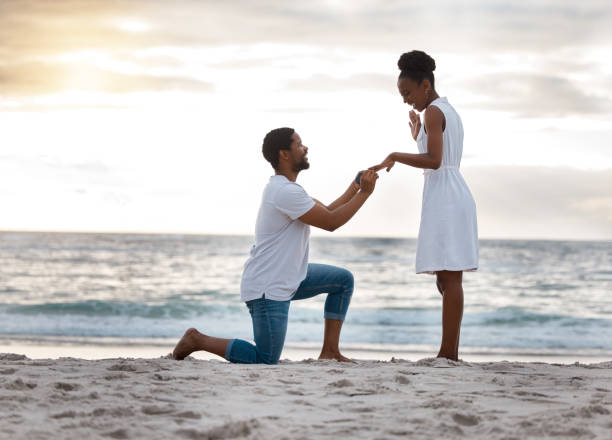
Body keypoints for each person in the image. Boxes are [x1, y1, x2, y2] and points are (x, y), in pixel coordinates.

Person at [173, 127, 379, 364]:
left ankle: (330, 351)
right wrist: (365, 193)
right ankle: (198, 340)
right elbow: (331, 222)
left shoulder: (288, 190)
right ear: (284, 154)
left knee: (343, 281)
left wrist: (355, 186)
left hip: (290, 277)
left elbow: (330, 210)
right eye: (299, 144)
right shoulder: (284, 192)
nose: (306, 148)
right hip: (268, 286)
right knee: (266, 358)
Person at [370, 50, 478, 361]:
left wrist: (395, 155)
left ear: (425, 85)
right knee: (444, 277)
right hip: (447, 194)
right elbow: (436, 151)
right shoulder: (443, 110)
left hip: (446, 196)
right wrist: (418, 135)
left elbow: (434, 160)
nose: (405, 100)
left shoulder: (433, 112)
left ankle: (448, 353)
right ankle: (450, 351)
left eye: (407, 92)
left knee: (450, 276)